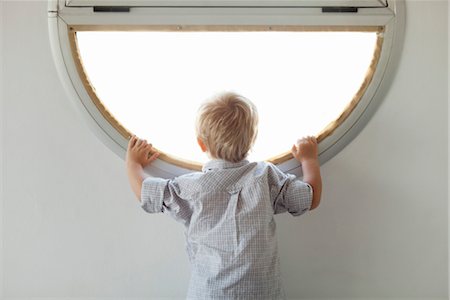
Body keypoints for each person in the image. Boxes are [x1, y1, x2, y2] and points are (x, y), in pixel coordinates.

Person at [126, 91, 322, 299]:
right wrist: (308, 159)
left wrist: (133, 164)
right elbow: (310, 198)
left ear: (201, 144)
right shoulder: (266, 176)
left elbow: (147, 193)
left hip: (210, 293)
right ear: (252, 140)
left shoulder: (192, 187)